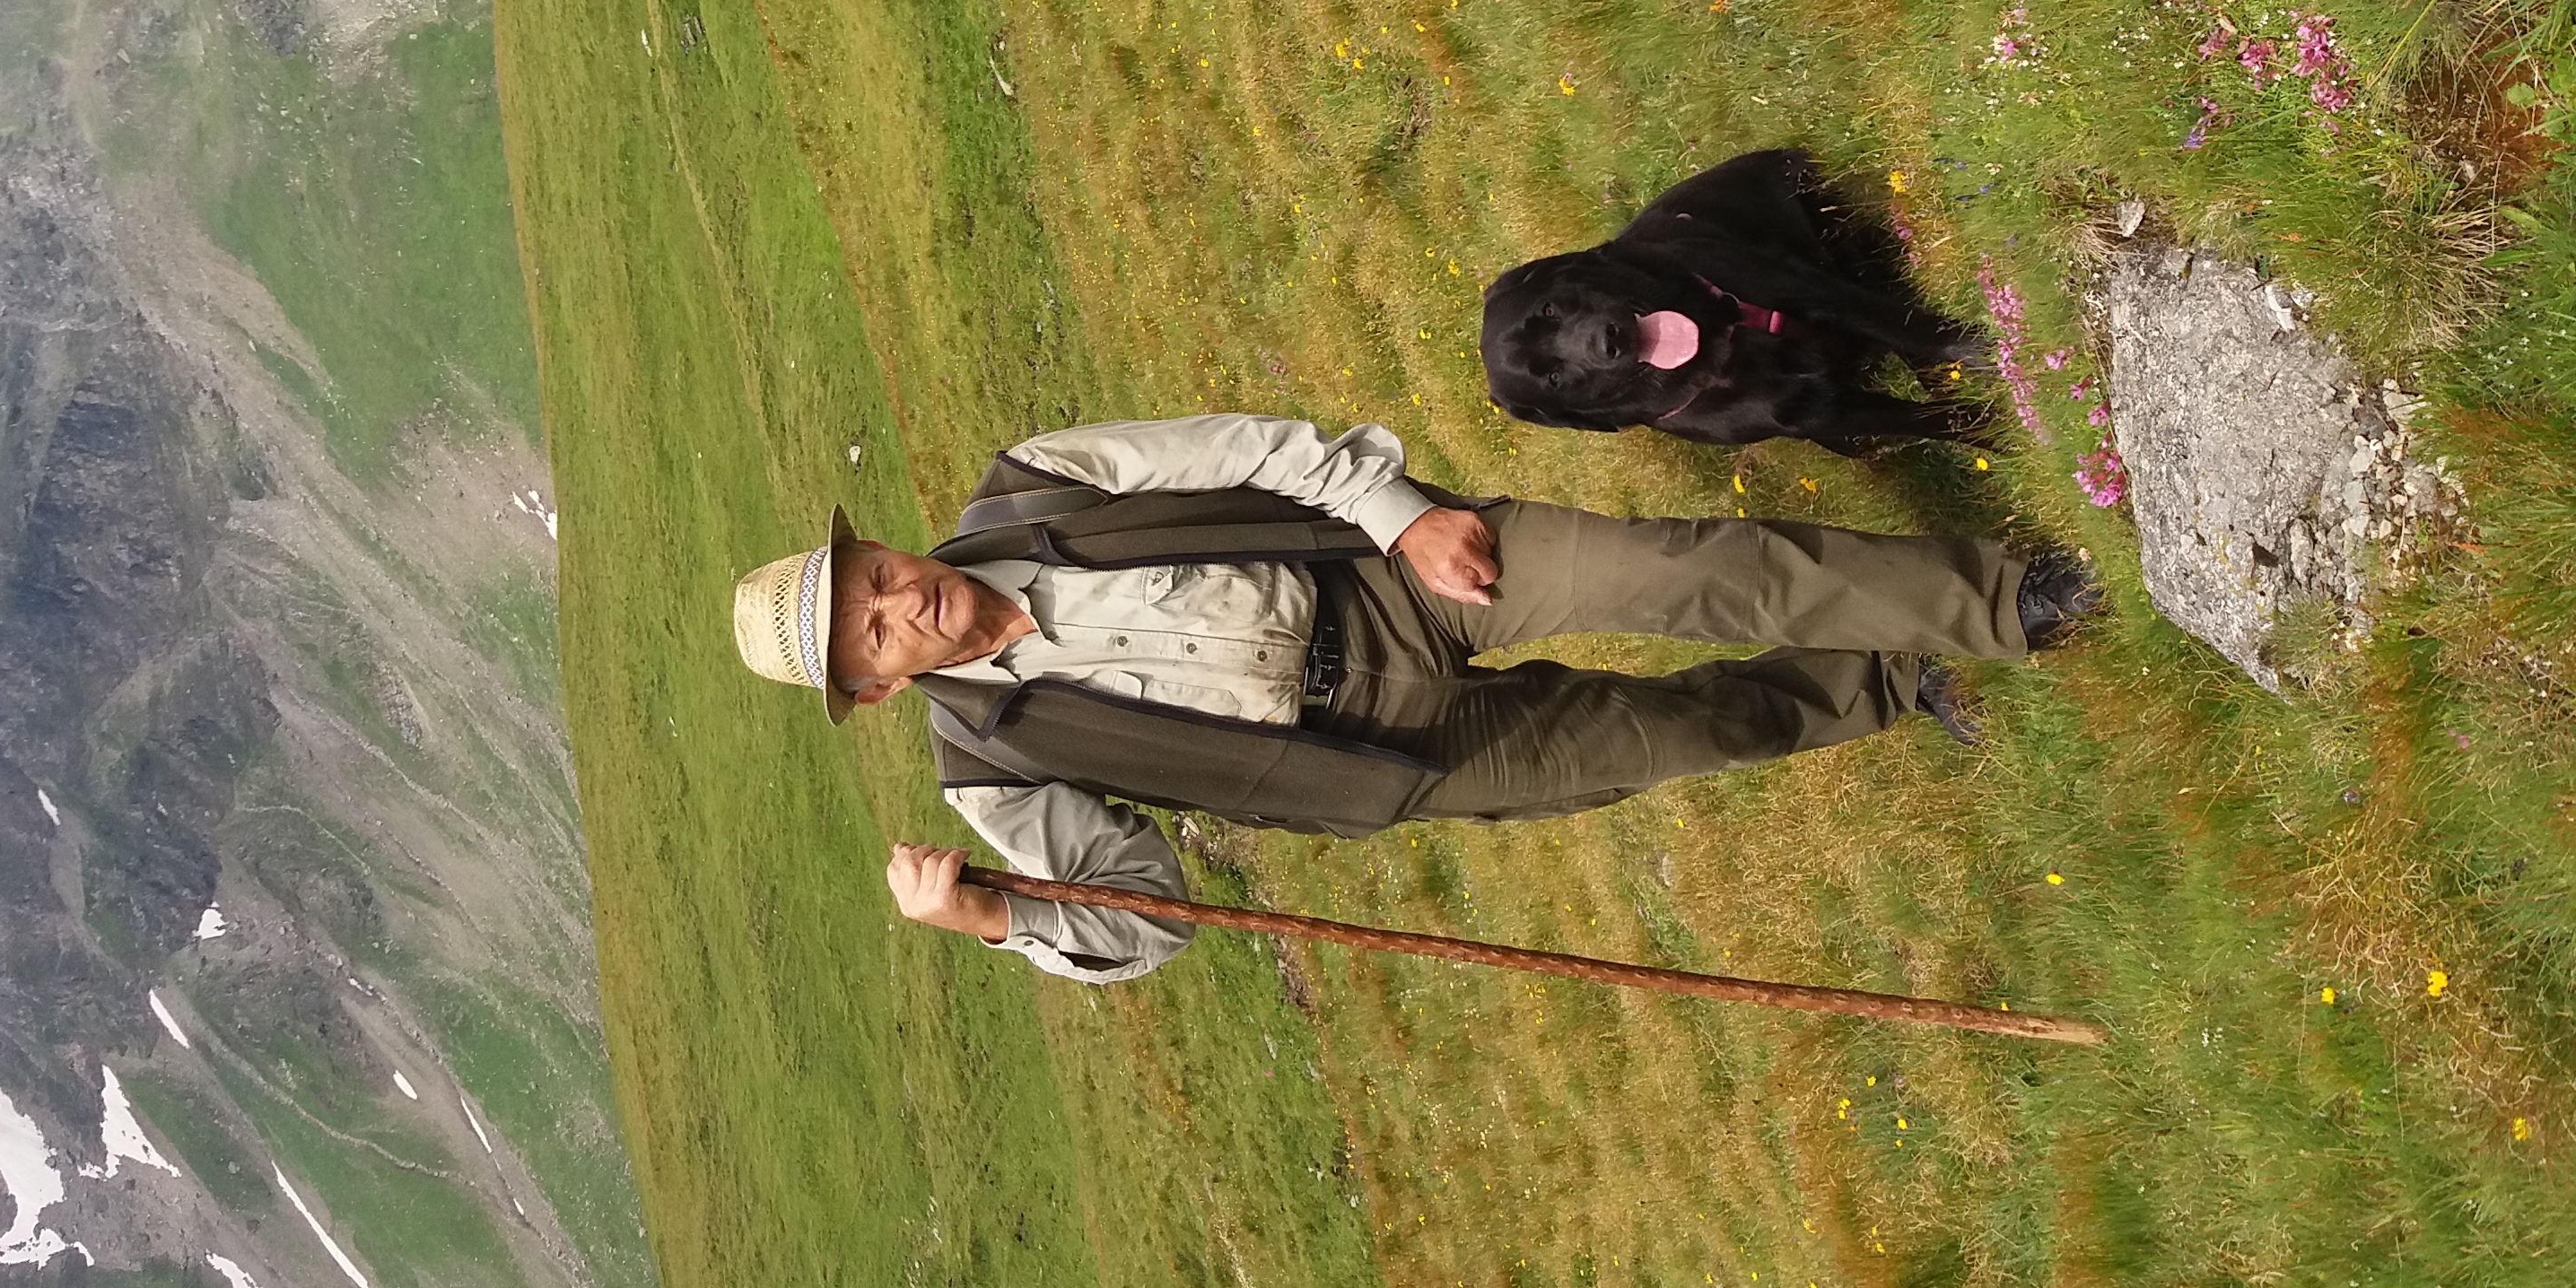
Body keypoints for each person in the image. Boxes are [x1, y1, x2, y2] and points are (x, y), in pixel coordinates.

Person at [728, 413, 2097, 982]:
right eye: (869, 625)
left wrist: (1396, 516)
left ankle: (2001, 600)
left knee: (1688, 571)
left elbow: (1247, 443)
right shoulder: (988, 772)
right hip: (1389, 755)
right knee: (1684, 733)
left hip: (1386, 582)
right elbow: (1152, 912)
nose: (899, 600)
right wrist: (990, 910)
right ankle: (1890, 675)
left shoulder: (1033, 480)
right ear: (869, 680)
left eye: (872, 573)